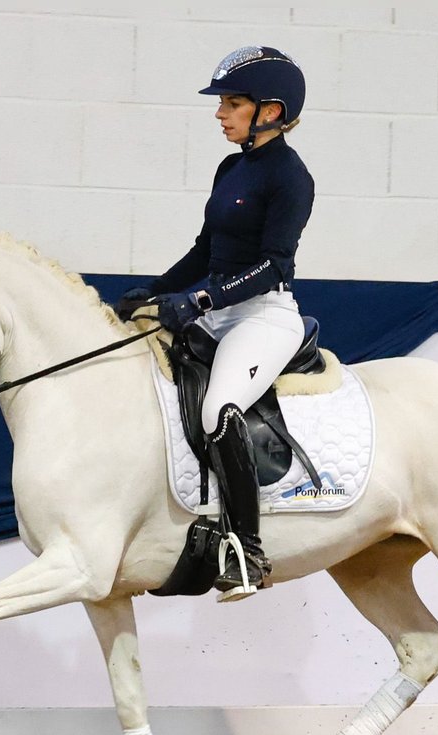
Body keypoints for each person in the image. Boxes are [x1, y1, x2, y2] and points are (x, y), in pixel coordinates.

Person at [119, 46, 314, 602]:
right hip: (219, 307)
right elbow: (206, 249)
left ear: (271, 111)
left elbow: (275, 264)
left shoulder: (291, 177)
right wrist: (156, 290)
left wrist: (200, 298)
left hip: (264, 315)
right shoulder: (232, 167)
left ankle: (247, 550)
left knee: (217, 408)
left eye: (232, 103)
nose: (220, 113)